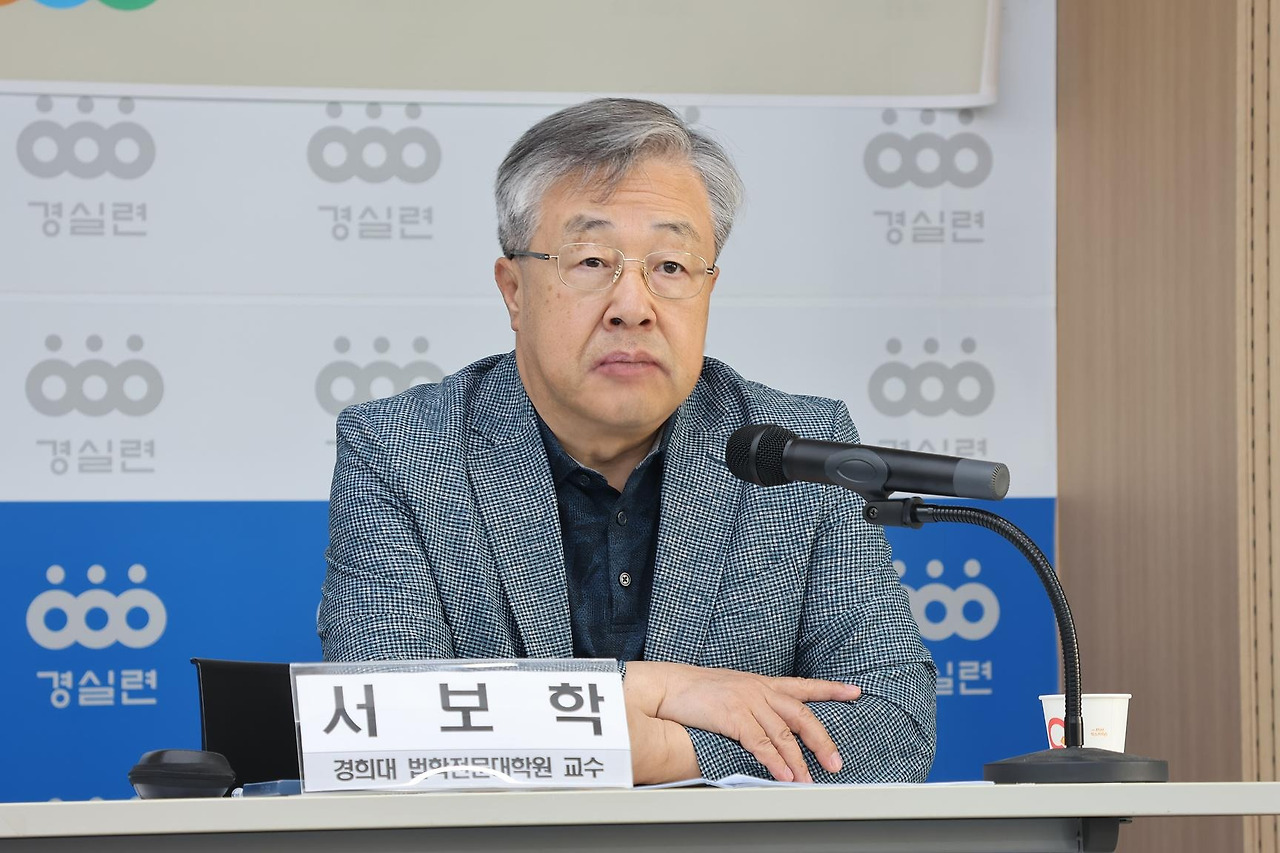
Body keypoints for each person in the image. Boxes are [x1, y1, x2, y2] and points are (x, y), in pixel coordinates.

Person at [318, 98, 936, 784]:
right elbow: (383, 721)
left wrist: (653, 749)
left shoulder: (797, 452)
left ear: (708, 288)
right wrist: (650, 688)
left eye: (670, 266)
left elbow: (892, 729)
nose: (634, 306)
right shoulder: (400, 449)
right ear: (514, 290)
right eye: (591, 260)